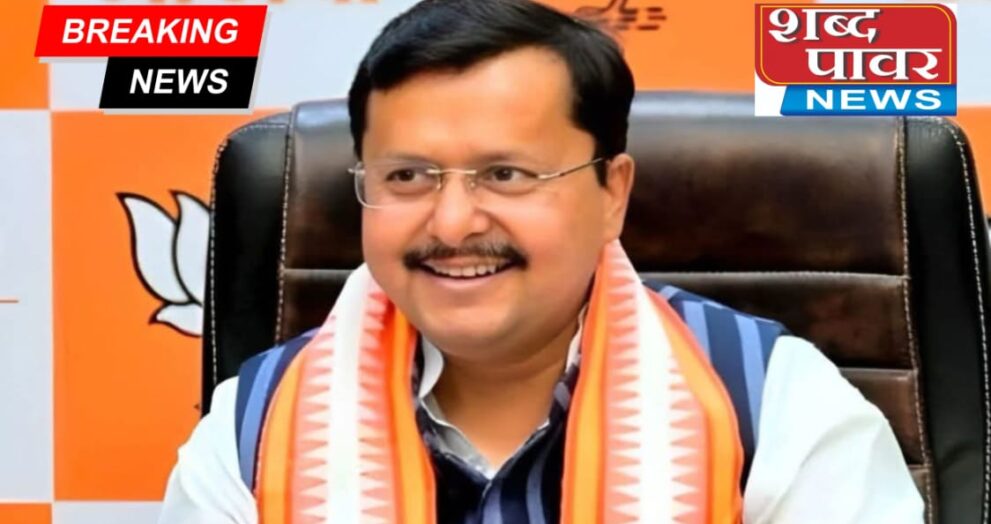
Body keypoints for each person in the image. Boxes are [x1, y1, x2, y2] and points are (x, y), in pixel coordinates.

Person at [159, 0, 923, 522]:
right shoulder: (255, 425)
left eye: (506, 174)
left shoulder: (773, 402)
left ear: (611, 193)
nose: (451, 223)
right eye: (407, 176)